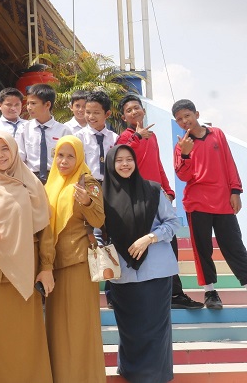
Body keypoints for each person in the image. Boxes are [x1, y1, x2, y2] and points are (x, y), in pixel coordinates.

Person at [0, 131, 55, 383]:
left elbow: (45, 229)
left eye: (4, 149)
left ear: (14, 150)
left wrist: (46, 266)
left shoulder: (32, 183)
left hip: (25, 270)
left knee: (24, 338)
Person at [118, 94, 202, 309]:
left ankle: (174, 293)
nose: (134, 112)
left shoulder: (152, 136)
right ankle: (156, 295)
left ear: (143, 111)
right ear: (123, 116)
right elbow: (120, 159)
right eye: (129, 110)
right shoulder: (124, 138)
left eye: (137, 108)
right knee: (146, 246)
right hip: (137, 200)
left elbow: (157, 164)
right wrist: (137, 137)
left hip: (158, 198)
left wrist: (168, 189)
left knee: (169, 243)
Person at [104, 144, 180, 383]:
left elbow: (172, 223)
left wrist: (150, 238)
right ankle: (131, 372)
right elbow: (97, 232)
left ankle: (156, 376)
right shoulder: (103, 195)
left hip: (156, 271)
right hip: (122, 273)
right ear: (110, 164)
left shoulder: (153, 190)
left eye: (129, 159)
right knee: (129, 329)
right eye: (119, 160)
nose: (125, 164)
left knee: (156, 329)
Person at [173, 99, 247, 308]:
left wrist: (235, 191)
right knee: (202, 249)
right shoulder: (181, 146)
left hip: (223, 201)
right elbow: (183, 176)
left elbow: (229, 162)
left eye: (187, 115)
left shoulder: (218, 134)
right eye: (179, 119)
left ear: (196, 114)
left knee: (234, 246)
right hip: (197, 203)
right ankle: (210, 292)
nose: (184, 121)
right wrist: (185, 153)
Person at [43, 136, 106, 383]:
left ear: (79, 157)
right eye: (60, 155)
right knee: (57, 329)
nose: (64, 161)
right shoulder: (51, 183)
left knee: (79, 327)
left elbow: (99, 220)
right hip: (52, 263)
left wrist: (87, 202)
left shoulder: (87, 181)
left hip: (77, 262)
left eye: (70, 156)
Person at [17, 83, 71, 183]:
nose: (29, 107)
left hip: (57, 178)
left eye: (33, 103)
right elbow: (20, 157)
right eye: (28, 103)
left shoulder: (64, 130)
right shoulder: (24, 129)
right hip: (31, 178)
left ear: (47, 105)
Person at [74, 90, 118, 181]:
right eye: (88, 112)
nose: (91, 117)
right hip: (87, 184)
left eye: (96, 113)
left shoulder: (114, 138)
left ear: (107, 114)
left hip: (110, 184)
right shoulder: (78, 138)